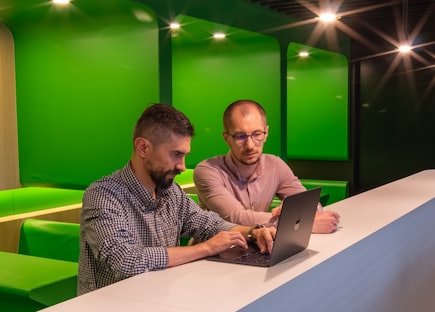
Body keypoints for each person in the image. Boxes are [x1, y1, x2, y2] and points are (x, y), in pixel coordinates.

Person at [78, 103, 275, 295]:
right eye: (176, 155)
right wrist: (206, 248)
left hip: (163, 302)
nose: (182, 166)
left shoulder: (171, 192)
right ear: (143, 147)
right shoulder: (102, 195)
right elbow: (126, 261)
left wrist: (253, 232)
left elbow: (208, 224)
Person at [193, 99, 340, 233]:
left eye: (257, 134)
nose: (250, 145)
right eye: (240, 136)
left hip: (257, 247)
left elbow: (310, 204)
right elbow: (235, 218)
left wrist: (294, 212)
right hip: (214, 255)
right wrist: (298, 222)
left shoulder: (275, 165)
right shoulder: (207, 171)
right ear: (227, 138)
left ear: (266, 133)